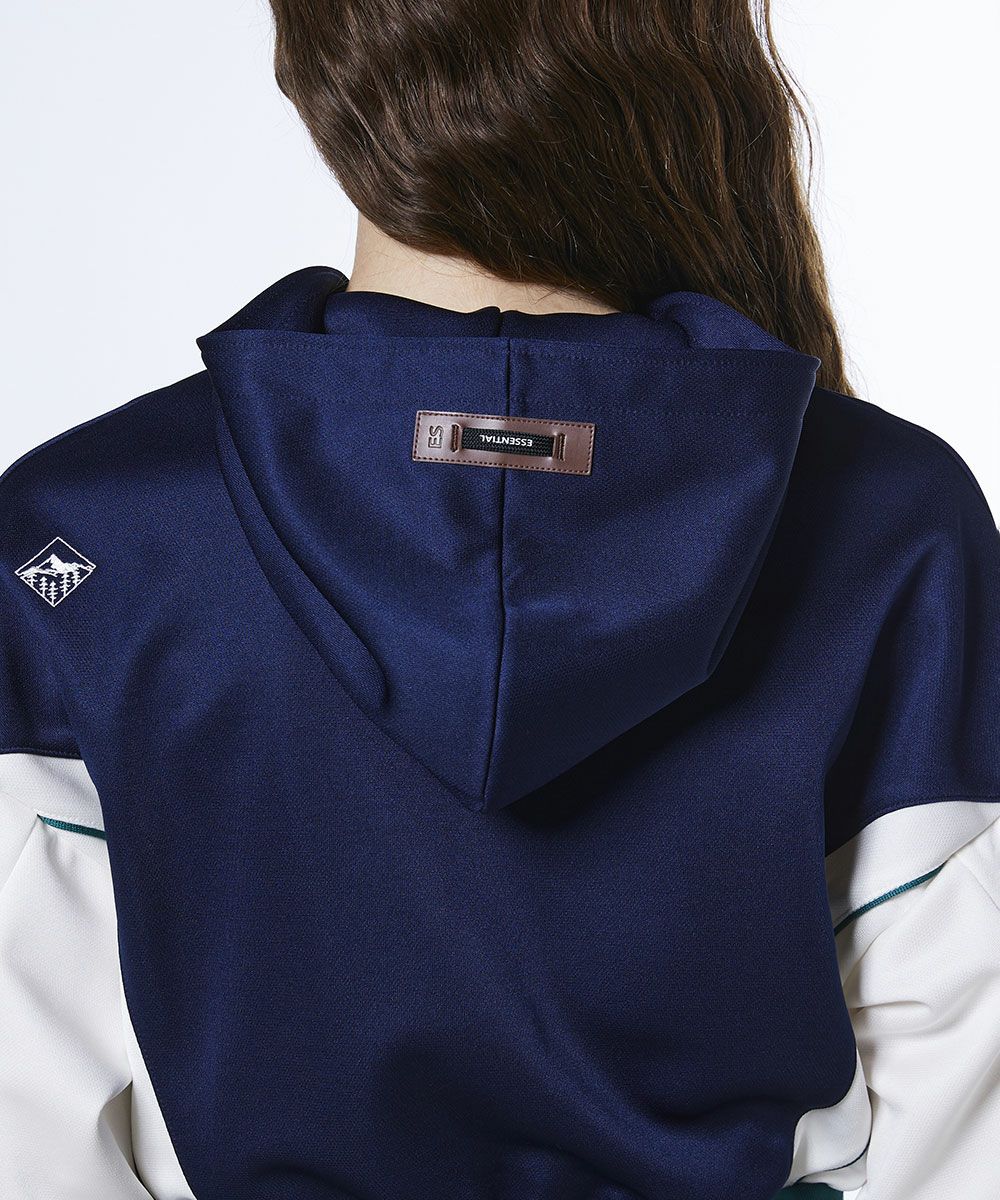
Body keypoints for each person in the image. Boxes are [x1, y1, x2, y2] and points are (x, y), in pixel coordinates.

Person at [1, 2, 997, 1198]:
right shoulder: (886, 518)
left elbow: (29, 1111)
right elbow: (965, 1097)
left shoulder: (87, 532)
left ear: (311, 61)